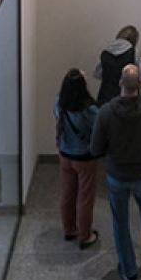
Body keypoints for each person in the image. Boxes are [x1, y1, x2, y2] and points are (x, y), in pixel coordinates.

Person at [89, 64, 141, 280]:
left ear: (120, 83)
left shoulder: (105, 112)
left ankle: (129, 269)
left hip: (117, 175)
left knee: (120, 222)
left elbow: (95, 148)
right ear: (140, 84)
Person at [54, 68, 102, 248]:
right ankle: (85, 235)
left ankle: (69, 229)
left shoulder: (59, 102)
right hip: (85, 157)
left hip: (65, 154)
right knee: (85, 197)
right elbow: (98, 127)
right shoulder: (88, 109)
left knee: (67, 194)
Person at [94, 24, 139, 106]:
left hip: (105, 96)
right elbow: (136, 74)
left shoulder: (105, 51)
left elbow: (97, 74)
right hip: (126, 96)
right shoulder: (134, 52)